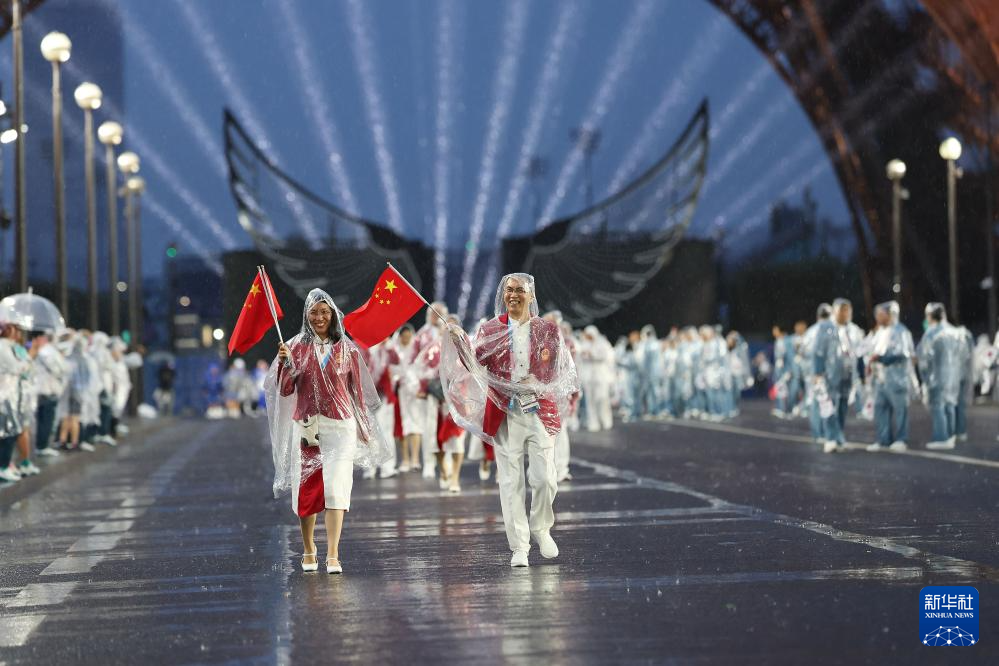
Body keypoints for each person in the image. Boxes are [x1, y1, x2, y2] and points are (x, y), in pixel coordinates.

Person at [443, 273, 579, 567]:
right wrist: (460, 342)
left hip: (539, 411)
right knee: (510, 480)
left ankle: (541, 528)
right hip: (505, 413)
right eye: (508, 290)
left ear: (531, 295)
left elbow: (561, 372)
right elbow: (476, 364)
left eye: (519, 290)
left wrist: (538, 383)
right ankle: (519, 546)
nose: (513, 295)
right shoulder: (491, 329)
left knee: (545, 479)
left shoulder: (548, 330)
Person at [266, 288, 391, 574]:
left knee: (337, 489)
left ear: (333, 315)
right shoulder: (296, 347)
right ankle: (309, 549)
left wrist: (365, 428)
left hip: (341, 426)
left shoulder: (346, 348)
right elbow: (285, 390)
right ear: (306, 316)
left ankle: (333, 553)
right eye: (314, 312)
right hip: (308, 426)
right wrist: (284, 363)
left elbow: (357, 393)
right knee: (307, 491)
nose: (320, 317)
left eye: (325, 312)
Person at [865, 301, 915, 452]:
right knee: (880, 408)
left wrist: (880, 358)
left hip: (897, 377)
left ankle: (901, 439)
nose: (877, 317)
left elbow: (902, 353)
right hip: (880, 379)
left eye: (881, 314)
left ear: (890, 314)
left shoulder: (900, 331)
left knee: (900, 409)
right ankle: (883, 439)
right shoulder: (879, 332)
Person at [918, 303, 962, 449]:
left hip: (936, 375)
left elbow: (923, 356)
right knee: (950, 405)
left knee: (938, 406)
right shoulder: (954, 331)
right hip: (953, 375)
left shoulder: (932, 333)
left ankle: (941, 438)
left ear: (930, 316)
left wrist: (924, 378)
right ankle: (950, 436)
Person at [33, 332, 67, 458]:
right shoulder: (47, 352)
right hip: (47, 390)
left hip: (43, 390)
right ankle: (42, 446)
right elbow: (58, 369)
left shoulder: (43, 351)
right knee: (46, 420)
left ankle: (41, 445)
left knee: (43, 420)